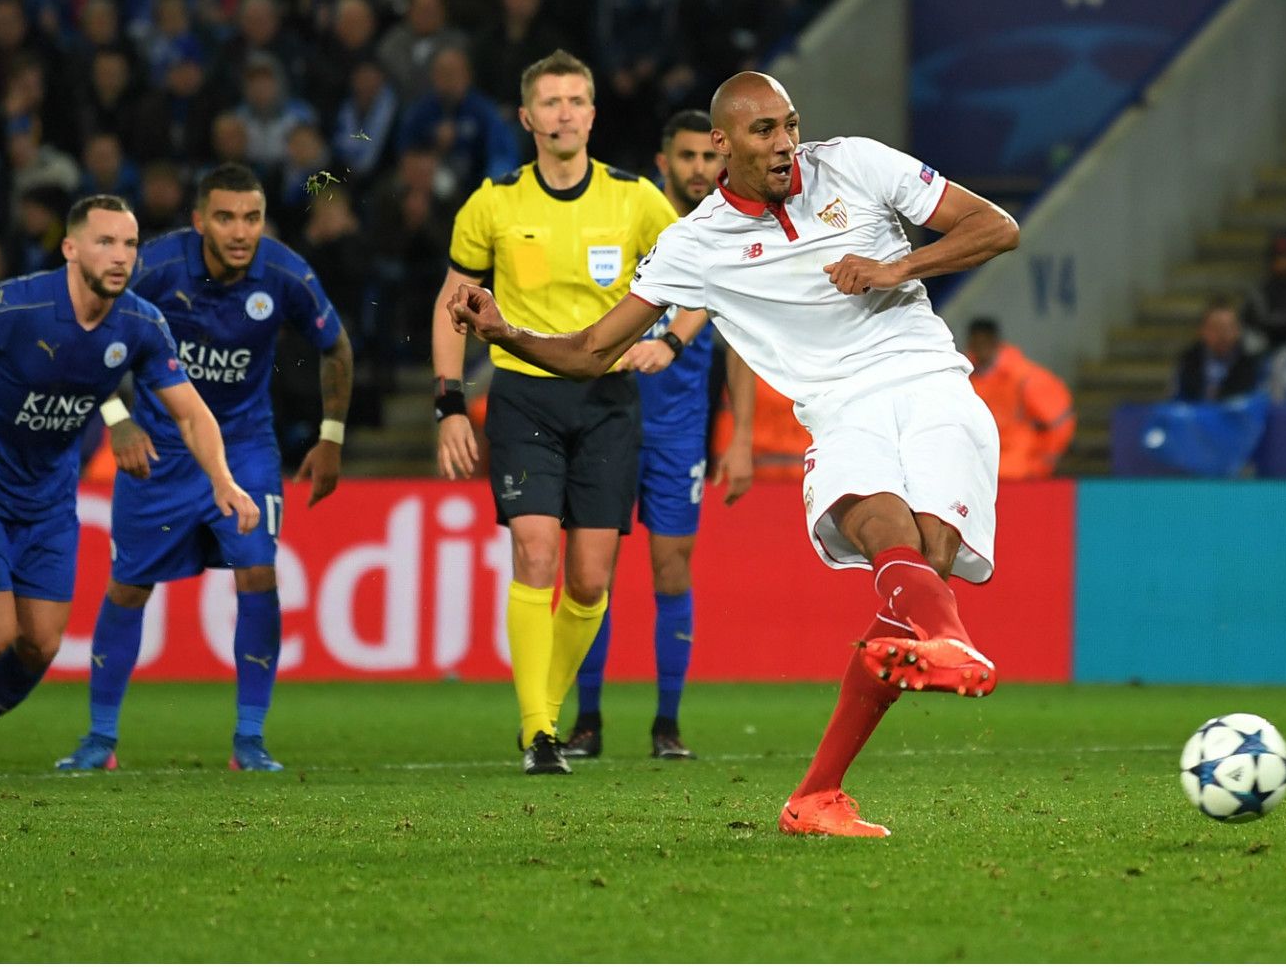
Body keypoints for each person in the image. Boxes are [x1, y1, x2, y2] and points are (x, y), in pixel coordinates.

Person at [446, 71, 1019, 835]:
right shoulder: (696, 244)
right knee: (886, 535)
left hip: (931, 380)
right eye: (764, 132)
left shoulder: (857, 163)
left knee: (927, 566)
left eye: (789, 125)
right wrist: (504, 332)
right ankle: (948, 648)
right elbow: (590, 351)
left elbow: (997, 226)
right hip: (839, 409)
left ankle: (820, 790)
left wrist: (898, 267)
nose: (785, 144)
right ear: (722, 143)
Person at [0, 195, 259, 778]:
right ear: (71, 249)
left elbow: (191, 413)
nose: (121, 257)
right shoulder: (21, 303)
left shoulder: (140, 323)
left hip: (48, 493)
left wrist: (224, 481)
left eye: (131, 244)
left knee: (39, 645)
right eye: (106, 242)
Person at [56, 164, 353, 774]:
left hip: (243, 449)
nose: (241, 232)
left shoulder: (285, 273)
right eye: (225, 217)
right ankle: (100, 740)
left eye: (251, 217)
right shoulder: (157, 267)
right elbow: (88, 330)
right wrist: (116, 416)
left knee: (257, 573)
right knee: (128, 586)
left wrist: (330, 437)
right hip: (160, 453)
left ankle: (249, 741)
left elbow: (337, 347)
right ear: (199, 221)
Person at [430, 50, 678, 777]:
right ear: (527, 117)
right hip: (522, 395)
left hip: (606, 400)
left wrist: (667, 336)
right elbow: (452, 307)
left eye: (576, 101)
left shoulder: (636, 200)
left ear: (593, 115)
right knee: (536, 552)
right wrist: (449, 402)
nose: (565, 113)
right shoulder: (493, 203)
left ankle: (540, 705)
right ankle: (540, 730)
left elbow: (694, 278)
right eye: (551, 101)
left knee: (590, 581)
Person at [565, 110, 758, 761]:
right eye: (687, 157)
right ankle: (587, 720)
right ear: (662, 162)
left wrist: (742, 438)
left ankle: (666, 726)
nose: (700, 168)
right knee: (594, 576)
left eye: (710, 157)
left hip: (679, 436)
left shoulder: (730, 239)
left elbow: (742, 344)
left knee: (671, 570)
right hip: (607, 423)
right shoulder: (627, 231)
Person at [964, 317, 1074, 479]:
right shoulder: (964, 378)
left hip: (1018, 475)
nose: (980, 349)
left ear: (995, 342)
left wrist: (1043, 463)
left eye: (984, 342)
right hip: (978, 472)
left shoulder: (1024, 377)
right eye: (976, 343)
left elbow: (1061, 421)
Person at [1174, 297, 1262, 401]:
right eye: (1216, 328)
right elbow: (1177, 400)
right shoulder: (1188, 361)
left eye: (1228, 328)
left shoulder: (1251, 363)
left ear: (1238, 330)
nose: (1223, 335)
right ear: (1203, 330)